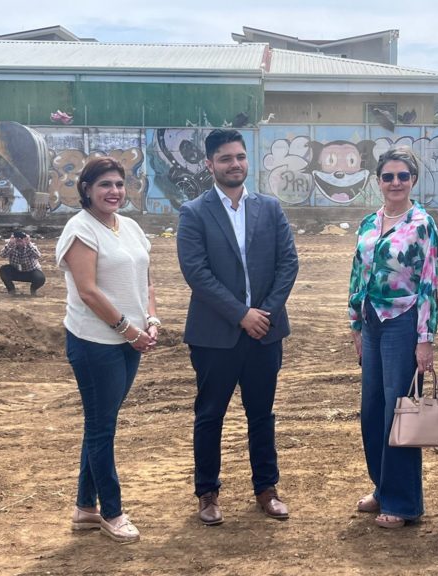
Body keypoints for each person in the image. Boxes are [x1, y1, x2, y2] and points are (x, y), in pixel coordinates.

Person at [177, 128, 298, 526]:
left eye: (240, 157)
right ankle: (207, 494)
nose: (235, 164)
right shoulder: (194, 212)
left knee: (261, 414)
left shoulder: (270, 208)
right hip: (215, 336)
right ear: (209, 164)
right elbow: (197, 272)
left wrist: (264, 313)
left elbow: (288, 264)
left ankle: (266, 489)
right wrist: (240, 315)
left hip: (266, 332)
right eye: (226, 158)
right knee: (210, 415)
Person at [56, 157, 160, 544]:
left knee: (101, 422)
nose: (114, 191)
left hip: (130, 340)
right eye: (104, 185)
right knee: (102, 427)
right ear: (86, 189)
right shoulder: (80, 229)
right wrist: (129, 330)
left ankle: (85, 507)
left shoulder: (130, 227)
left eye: (119, 183)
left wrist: (151, 320)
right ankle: (111, 513)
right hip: (94, 343)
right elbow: (88, 291)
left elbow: (146, 278)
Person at [349, 145, 438, 529]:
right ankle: (383, 487)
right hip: (371, 323)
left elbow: (429, 284)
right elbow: (357, 274)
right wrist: (355, 324)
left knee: (397, 413)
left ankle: (404, 503)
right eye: (388, 176)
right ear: (378, 181)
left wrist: (424, 339)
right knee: (371, 410)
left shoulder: (422, 223)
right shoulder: (369, 222)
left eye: (403, 176)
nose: (396, 182)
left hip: (403, 322)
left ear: (413, 180)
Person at [0, 230, 46, 296]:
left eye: (21, 238)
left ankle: (33, 290)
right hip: (16, 271)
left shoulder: (30, 246)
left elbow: (38, 256)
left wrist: (28, 243)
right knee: (3, 269)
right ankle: (11, 291)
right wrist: (10, 244)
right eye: (17, 238)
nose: (19, 240)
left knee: (40, 278)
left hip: (31, 272)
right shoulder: (11, 246)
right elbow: (2, 255)